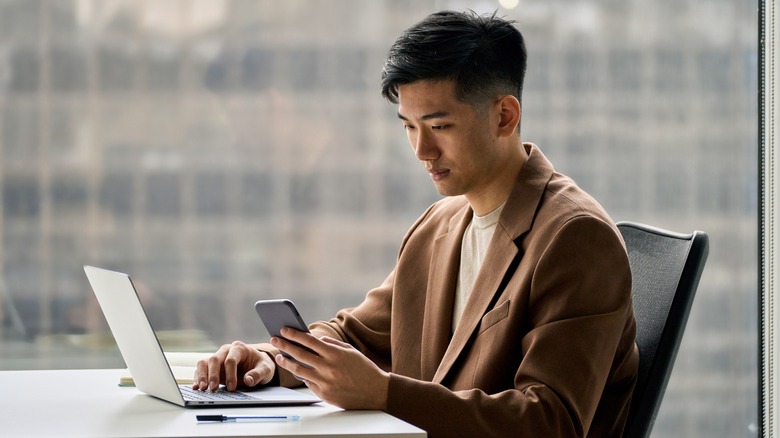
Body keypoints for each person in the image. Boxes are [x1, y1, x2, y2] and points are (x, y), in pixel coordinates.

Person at [193, 10, 638, 437]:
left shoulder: (575, 236)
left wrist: (384, 394)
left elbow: (550, 423)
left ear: (504, 116)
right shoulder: (440, 224)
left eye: (439, 126)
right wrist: (272, 360)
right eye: (408, 126)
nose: (422, 150)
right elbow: (357, 335)